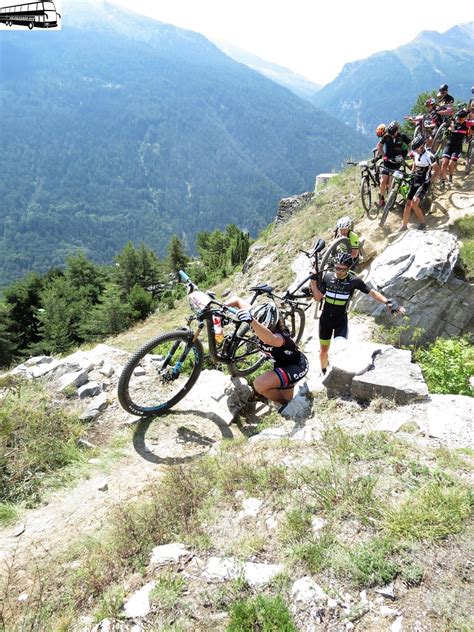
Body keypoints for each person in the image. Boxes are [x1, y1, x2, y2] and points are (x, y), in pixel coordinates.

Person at [309, 251, 406, 374]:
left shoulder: (354, 281)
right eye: (337, 268)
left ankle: (336, 374)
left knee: (340, 348)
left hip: (340, 321)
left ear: (349, 268)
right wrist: (313, 281)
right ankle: (323, 371)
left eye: (342, 269)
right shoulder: (328, 277)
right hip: (325, 320)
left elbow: (372, 292)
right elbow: (317, 298)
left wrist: (387, 302)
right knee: (323, 351)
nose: (338, 271)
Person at [226, 298, 309, 411]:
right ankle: (287, 400)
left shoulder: (280, 337)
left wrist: (252, 321)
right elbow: (237, 301)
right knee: (282, 394)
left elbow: (270, 339)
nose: (255, 331)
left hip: (296, 367)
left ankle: (288, 406)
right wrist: (222, 306)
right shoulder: (256, 316)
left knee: (260, 385)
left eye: (259, 327)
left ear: (270, 326)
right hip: (282, 364)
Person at [399, 135, 436, 232]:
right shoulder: (415, 153)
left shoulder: (430, 157)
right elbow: (415, 163)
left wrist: (430, 181)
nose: (415, 151)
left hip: (424, 181)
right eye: (414, 149)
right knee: (407, 204)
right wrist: (412, 171)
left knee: (414, 203)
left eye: (416, 149)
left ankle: (423, 223)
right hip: (415, 179)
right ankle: (404, 226)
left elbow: (438, 170)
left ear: (422, 146)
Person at [379, 121, 411, 208]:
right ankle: (381, 198)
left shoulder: (402, 136)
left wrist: (405, 153)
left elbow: (410, 144)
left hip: (397, 163)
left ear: (397, 131)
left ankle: (390, 202)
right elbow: (379, 146)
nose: (391, 135)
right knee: (383, 181)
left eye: (393, 133)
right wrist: (383, 155)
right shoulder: (386, 136)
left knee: (390, 183)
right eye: (390, 133)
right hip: (387, 162)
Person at [440, 109, 469, 185]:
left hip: (457, 147)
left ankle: (450, 177)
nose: (459, 119)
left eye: (461, 118)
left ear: (465, 117)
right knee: (444, 163)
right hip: (449, 145)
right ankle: (442, 181)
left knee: (451, 163)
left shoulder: (467, 125)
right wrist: (451, 127)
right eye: (458, 117)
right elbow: (450, 127)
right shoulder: (454, 123)